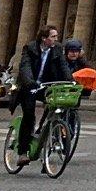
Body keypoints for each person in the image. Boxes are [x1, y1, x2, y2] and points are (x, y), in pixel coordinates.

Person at [12, 24, 71, 162]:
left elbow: (63, 67)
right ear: (44, 38)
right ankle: (23, 152)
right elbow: (25, 66)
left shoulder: (57, 49)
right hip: (30, 86)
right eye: (53, 36)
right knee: (29, 115)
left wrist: (71, 81)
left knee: (55, 107)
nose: (56, 39)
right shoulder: (30, 48)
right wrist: (29, 81)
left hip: (45, 86)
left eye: (56, 36)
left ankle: (44, 131)